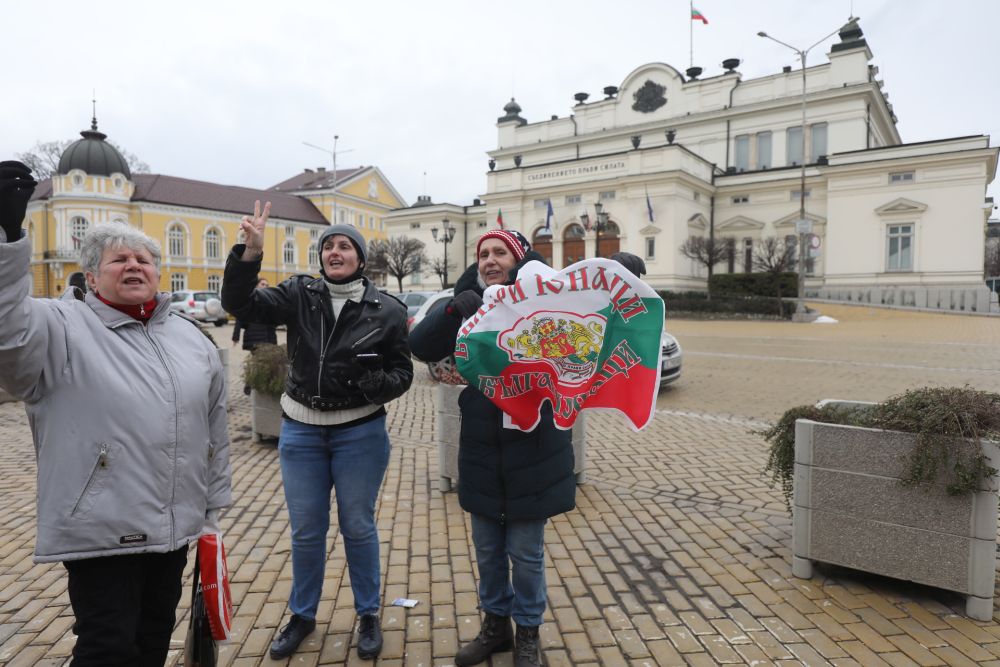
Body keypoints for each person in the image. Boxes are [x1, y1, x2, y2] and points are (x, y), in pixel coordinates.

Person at [0, 160, 231, 667]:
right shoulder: (57, 324)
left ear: (157, 271)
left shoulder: (189, 337)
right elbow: (9, 342)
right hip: (101, 526)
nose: (133, 266)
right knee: (107, 649)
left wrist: (211, 515)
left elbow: (215, 430)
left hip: (173, 526)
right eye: (118, 259)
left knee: (151, 642)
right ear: (91, 275)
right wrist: (8, 243)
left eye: (143, 259)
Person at [221, 201, 413, 661]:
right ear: (321, 257)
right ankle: (303, 615)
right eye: (329, 245)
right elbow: (239, 304)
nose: (335, 251)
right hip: (302, 432)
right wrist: (250, 253)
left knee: (358, 526)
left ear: (360, 259)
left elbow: (403, 373)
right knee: (307, 531)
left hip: (359, 434)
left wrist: (378, 386)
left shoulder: (386, 310)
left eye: (345, 245)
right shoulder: (298, 294)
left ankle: (368, 614)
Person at [408, 229, 576, 667]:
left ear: (519, 259)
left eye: (500, 252)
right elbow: (420, 345)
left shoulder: (543, 302)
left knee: (525, 552)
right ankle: (495, 627)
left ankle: (528, 633)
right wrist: (453, 308)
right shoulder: (470, 304)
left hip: (533, 447)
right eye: (483, 254)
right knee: (487, 550)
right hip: (483, 447)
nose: (489, 260)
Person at [232, 277, 279, 394]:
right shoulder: (250, 300)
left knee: (267, 362)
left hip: (269, 337)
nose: (265, 286)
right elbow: (239, 319)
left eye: (267, 285)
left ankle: (258, 384)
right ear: (257, 286)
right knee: (258, 362)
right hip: (255, 337)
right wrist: (236, 336)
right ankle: (250, 384)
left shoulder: (270, 300)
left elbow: (276, 319)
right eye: (263, 284)